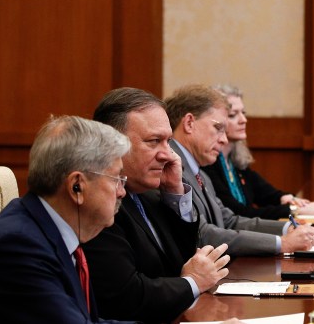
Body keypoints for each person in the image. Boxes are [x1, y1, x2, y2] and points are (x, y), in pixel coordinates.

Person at [0, 115, 135, 323]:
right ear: (77, 186)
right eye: (117, 179)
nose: (122, 192)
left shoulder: (47, 230)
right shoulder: (17, 248)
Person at [85, 87, 233, 323]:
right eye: (154, 141)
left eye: (168, 142)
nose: (168, 155)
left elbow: (184, 262)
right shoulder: (99, 203)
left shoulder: (151, 194)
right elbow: (126, 298)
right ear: (112, 143)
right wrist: (192, 282)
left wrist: (175, 193)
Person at [164, 84, 314, 257]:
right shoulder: (169, 168)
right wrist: (282, 243)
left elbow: (229, 221)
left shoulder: (201, 174)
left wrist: (286, 228)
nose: (223, 140)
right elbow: (202, 235)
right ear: (189, 123)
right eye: (218, 129)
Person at [203, 84, 314, 220]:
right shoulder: (208, 164)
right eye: (233, 115)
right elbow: (239, 214)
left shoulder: (234, 162)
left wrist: (288, 199)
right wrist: (294, 211)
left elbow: (266, 194)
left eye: (243, 113)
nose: (243, 120)